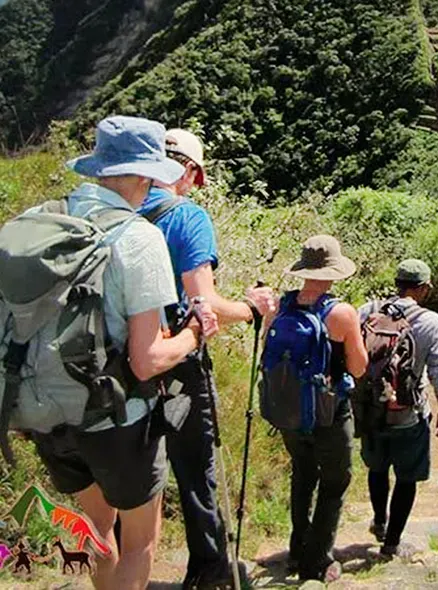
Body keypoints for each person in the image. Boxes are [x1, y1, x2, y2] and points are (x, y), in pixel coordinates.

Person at [28, 116, 220, 590]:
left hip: (46, 412)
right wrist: (196, 332)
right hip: (116, 420)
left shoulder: (41, 220)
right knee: (139, 544)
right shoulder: (138, 239)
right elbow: (147, 359)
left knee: (99, 532)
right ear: (146, 174)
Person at [136, 128, 275, 590]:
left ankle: (121, 571)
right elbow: (206, 303)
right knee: (196, 466)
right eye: (198, 178)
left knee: (131, 471)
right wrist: (252, 308)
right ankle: (210, 571)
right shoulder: (187, 217)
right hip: (176, 359)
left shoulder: (117, 213)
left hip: (118, 364)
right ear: (190, 172)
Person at [268, 235, 367, 582]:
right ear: (333, 273)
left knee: (303, 475)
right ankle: (318, 561)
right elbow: (358, 368)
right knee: (336, 481)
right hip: (329, 412)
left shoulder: (280, 308)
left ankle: (297, 551)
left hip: (288, 412)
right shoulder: (341, 313)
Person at [358, 259, 438, 558]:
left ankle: (380, 521)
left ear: (397, 282)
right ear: (423, 288)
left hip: (371, 410)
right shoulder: (430, 321)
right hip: (409, 415)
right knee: (407, 477)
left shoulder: (368, 311)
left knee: (377, 467)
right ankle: (392, 543)